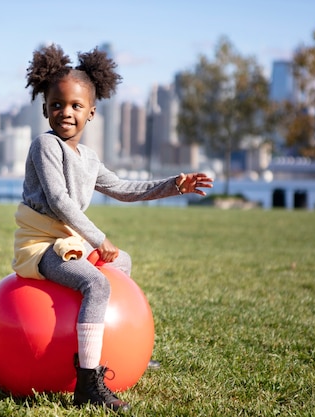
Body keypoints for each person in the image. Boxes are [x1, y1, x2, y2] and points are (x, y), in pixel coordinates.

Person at [12, 44, 213, 412]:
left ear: (91, 112)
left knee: (122, 264)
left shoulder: (88, 158)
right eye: (57, 105)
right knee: (96, 282)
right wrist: (98, 238)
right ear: (44, 109)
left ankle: (126, 351)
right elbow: (59, 201)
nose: (65, 112)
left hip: (67, 241)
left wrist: (174, 185)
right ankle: (88, 382)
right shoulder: (44, 145)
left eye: (75, 106)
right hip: (40, 245)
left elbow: (122, 188)